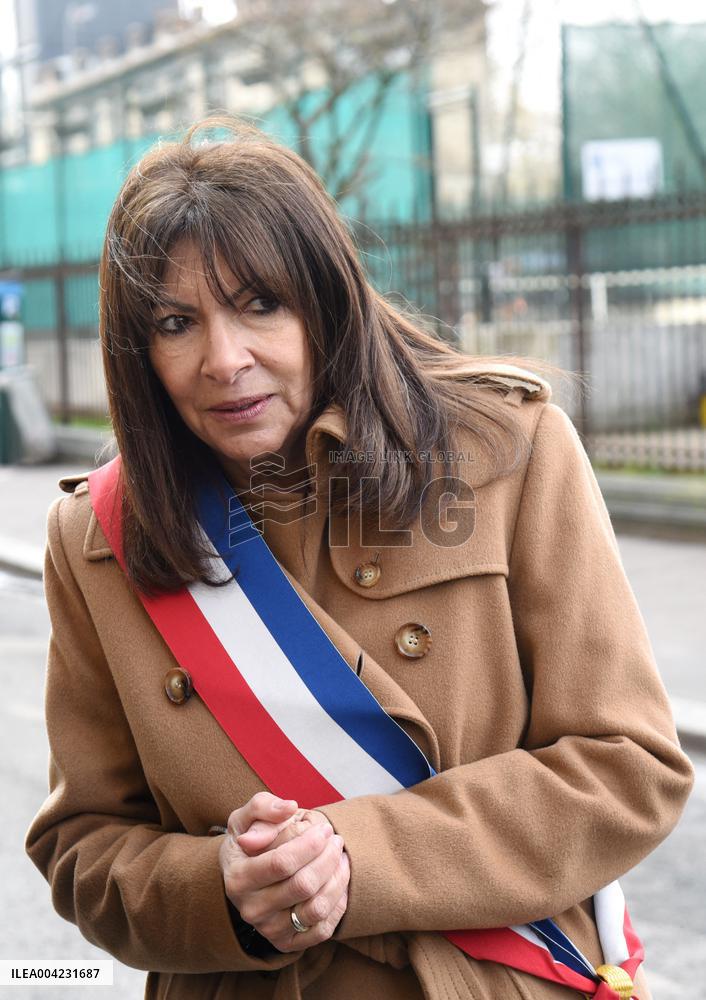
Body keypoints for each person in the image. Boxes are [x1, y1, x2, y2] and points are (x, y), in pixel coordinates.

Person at [26, 115, 693, 1000]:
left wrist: (358, 854)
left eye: (261, 303)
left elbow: (628, 765)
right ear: (136, 351)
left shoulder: (508, 449)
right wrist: (222, 891)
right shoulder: (97, 538)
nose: (225, 359)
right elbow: (82, 846)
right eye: (176, 322)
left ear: (326, 300)